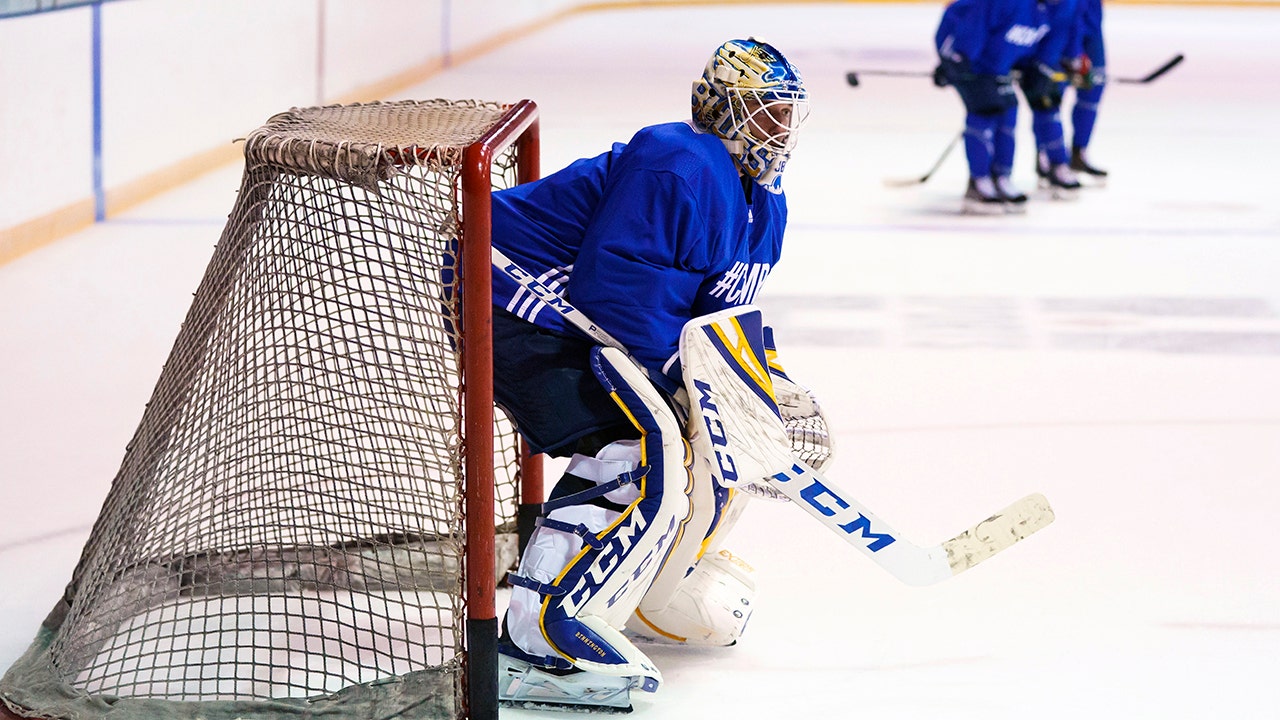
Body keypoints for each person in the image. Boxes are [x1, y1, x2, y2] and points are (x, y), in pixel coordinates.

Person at [485, 38, 821, 712]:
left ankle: (645, 592)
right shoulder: (680, 162)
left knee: (710, 447)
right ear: (721, 109)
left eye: (784, 115)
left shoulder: (765, 203)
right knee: (635, 450)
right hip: (509, 298)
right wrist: (685, 378)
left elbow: (720, 315)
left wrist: (758, 384)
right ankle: (535, 642)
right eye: (762, 113)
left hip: (581, 313)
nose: (777, 131)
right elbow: (617, 292)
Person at [934, 0, 1050, 214]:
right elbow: (973, 24)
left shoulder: (1045, 9)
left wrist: (1033, 67)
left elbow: (1024, 43)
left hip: (996, 66)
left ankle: (1002, 177)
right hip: (970, 58)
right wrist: (958, 59)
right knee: (985, 109)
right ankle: (979, 182)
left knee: (1009, 111)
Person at [1020, 0, 1086, 198]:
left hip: (1049, 60)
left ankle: (1054, 163)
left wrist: (1073, 57)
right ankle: (990, 175)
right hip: (1018, 58)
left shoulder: (1070, 3)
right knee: (997, 112)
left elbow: (1073, 25)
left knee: (1048, 108)